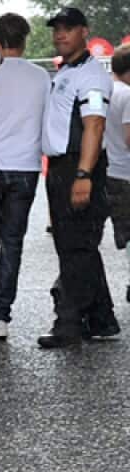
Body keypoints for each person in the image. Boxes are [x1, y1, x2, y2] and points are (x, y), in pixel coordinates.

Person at [37, 7, 119, 347]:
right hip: (62, 167)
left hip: (78, 166)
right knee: (78, 246)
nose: (60, 34)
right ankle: (101, 317)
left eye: (68, 28)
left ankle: (68, 325)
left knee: (75, 248)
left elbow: (94, 124)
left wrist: (83, 173)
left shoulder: (91, 75)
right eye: (56, 28)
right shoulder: (67, 71)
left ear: (84, 31)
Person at [0, 13, 48, 340]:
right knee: (12, 241)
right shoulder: (41, 77)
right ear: (25, 39)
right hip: (26, 166)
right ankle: (0, 316)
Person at [107, 45, 130, 299]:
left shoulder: (105, 90)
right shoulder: (128, 96)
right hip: (125, 172)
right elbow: (129, 138)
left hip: (104, 169)